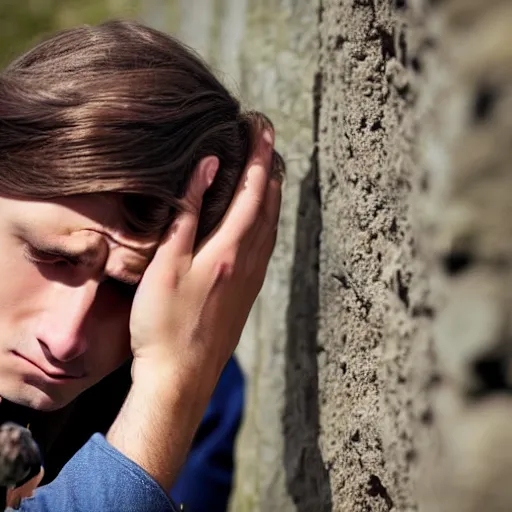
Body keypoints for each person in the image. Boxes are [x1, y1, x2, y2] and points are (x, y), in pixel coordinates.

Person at [0, 19, 283, 511]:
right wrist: (171, 395)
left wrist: (173, 387)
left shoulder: (190, 387)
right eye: (51, 255)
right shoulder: (174, 390)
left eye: (128, 290)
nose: (65, 339)